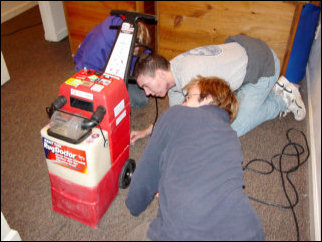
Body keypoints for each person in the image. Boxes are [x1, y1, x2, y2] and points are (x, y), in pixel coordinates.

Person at [125, 76, 265, 241]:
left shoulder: (176, 114)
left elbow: (146, 174)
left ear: (208, 98)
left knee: (135, 234)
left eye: (188, 97)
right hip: (245, 231)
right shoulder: (231, 137)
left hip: (185, 231)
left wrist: (134, 205)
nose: (182, 103)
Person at [130, 34, 306, 144]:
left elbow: (199, 125)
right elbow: (176, 116)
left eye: (146, 85)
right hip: (248, 48)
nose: (146, 93)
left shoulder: (192, 79)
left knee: (228, 131)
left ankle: (281, 98)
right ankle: (270, 92)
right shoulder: (173, 69)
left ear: (160, 74)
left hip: (263, 66)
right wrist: (148, 130)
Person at [73, 15, 151, 108]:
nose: (136, 53)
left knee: (142, 98)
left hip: (120, 67)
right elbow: (84, 73)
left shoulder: (138, 38)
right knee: (106, 100)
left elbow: (144, 56)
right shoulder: (99, 43)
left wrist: (145, 74)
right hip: (96, 70)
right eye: (134, 51)